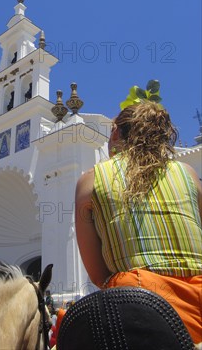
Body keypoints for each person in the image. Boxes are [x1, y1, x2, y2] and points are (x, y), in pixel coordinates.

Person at [75, 83, 202, 345]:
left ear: (115, 134)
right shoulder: (188, 175)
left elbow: (98, 276)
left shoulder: (90, 181)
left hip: (138, 310)